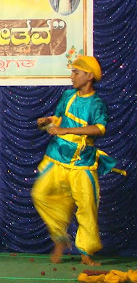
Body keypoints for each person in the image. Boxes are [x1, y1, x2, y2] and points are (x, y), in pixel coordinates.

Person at [31, 56, 121, 266]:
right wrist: (47, 121)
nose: (71, 77)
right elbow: (58, 118)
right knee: (40, 194)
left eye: (76, 73)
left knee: (87, 207)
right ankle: (59, 236)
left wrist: (66, 130)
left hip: (82, 163)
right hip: (57, 157)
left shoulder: (96, 103)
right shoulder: (68, 95)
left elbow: (99, 128)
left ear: (89, 76)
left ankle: (85, 253)